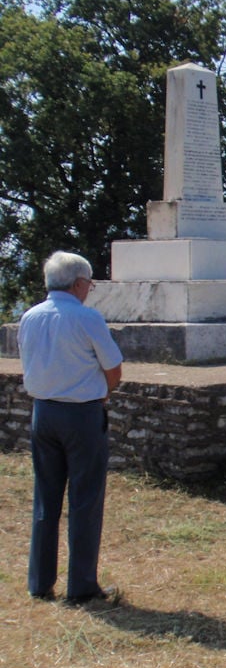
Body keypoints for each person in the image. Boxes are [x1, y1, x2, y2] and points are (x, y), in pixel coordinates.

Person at [19, 251, 124, 604]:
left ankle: (40, 581)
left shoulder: (30, 316)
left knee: (45, 498)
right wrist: (102, 394)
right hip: (81, 413)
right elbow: (114, 369)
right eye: (89, 284)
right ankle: (80, 585)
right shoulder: (86, 318)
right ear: (79, 283)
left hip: (43, 411)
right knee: (85, 499)